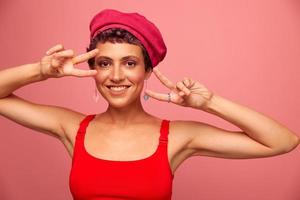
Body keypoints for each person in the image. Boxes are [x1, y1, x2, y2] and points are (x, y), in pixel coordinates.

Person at [0, 8, 299, 200]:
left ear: (147, 71)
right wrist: (41, 71)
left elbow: (283, 141)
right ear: (93, 70)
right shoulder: (72, 128)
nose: (116, 76)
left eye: (129, 63)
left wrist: (209, 103)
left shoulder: (176, 137)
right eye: (105, 63)